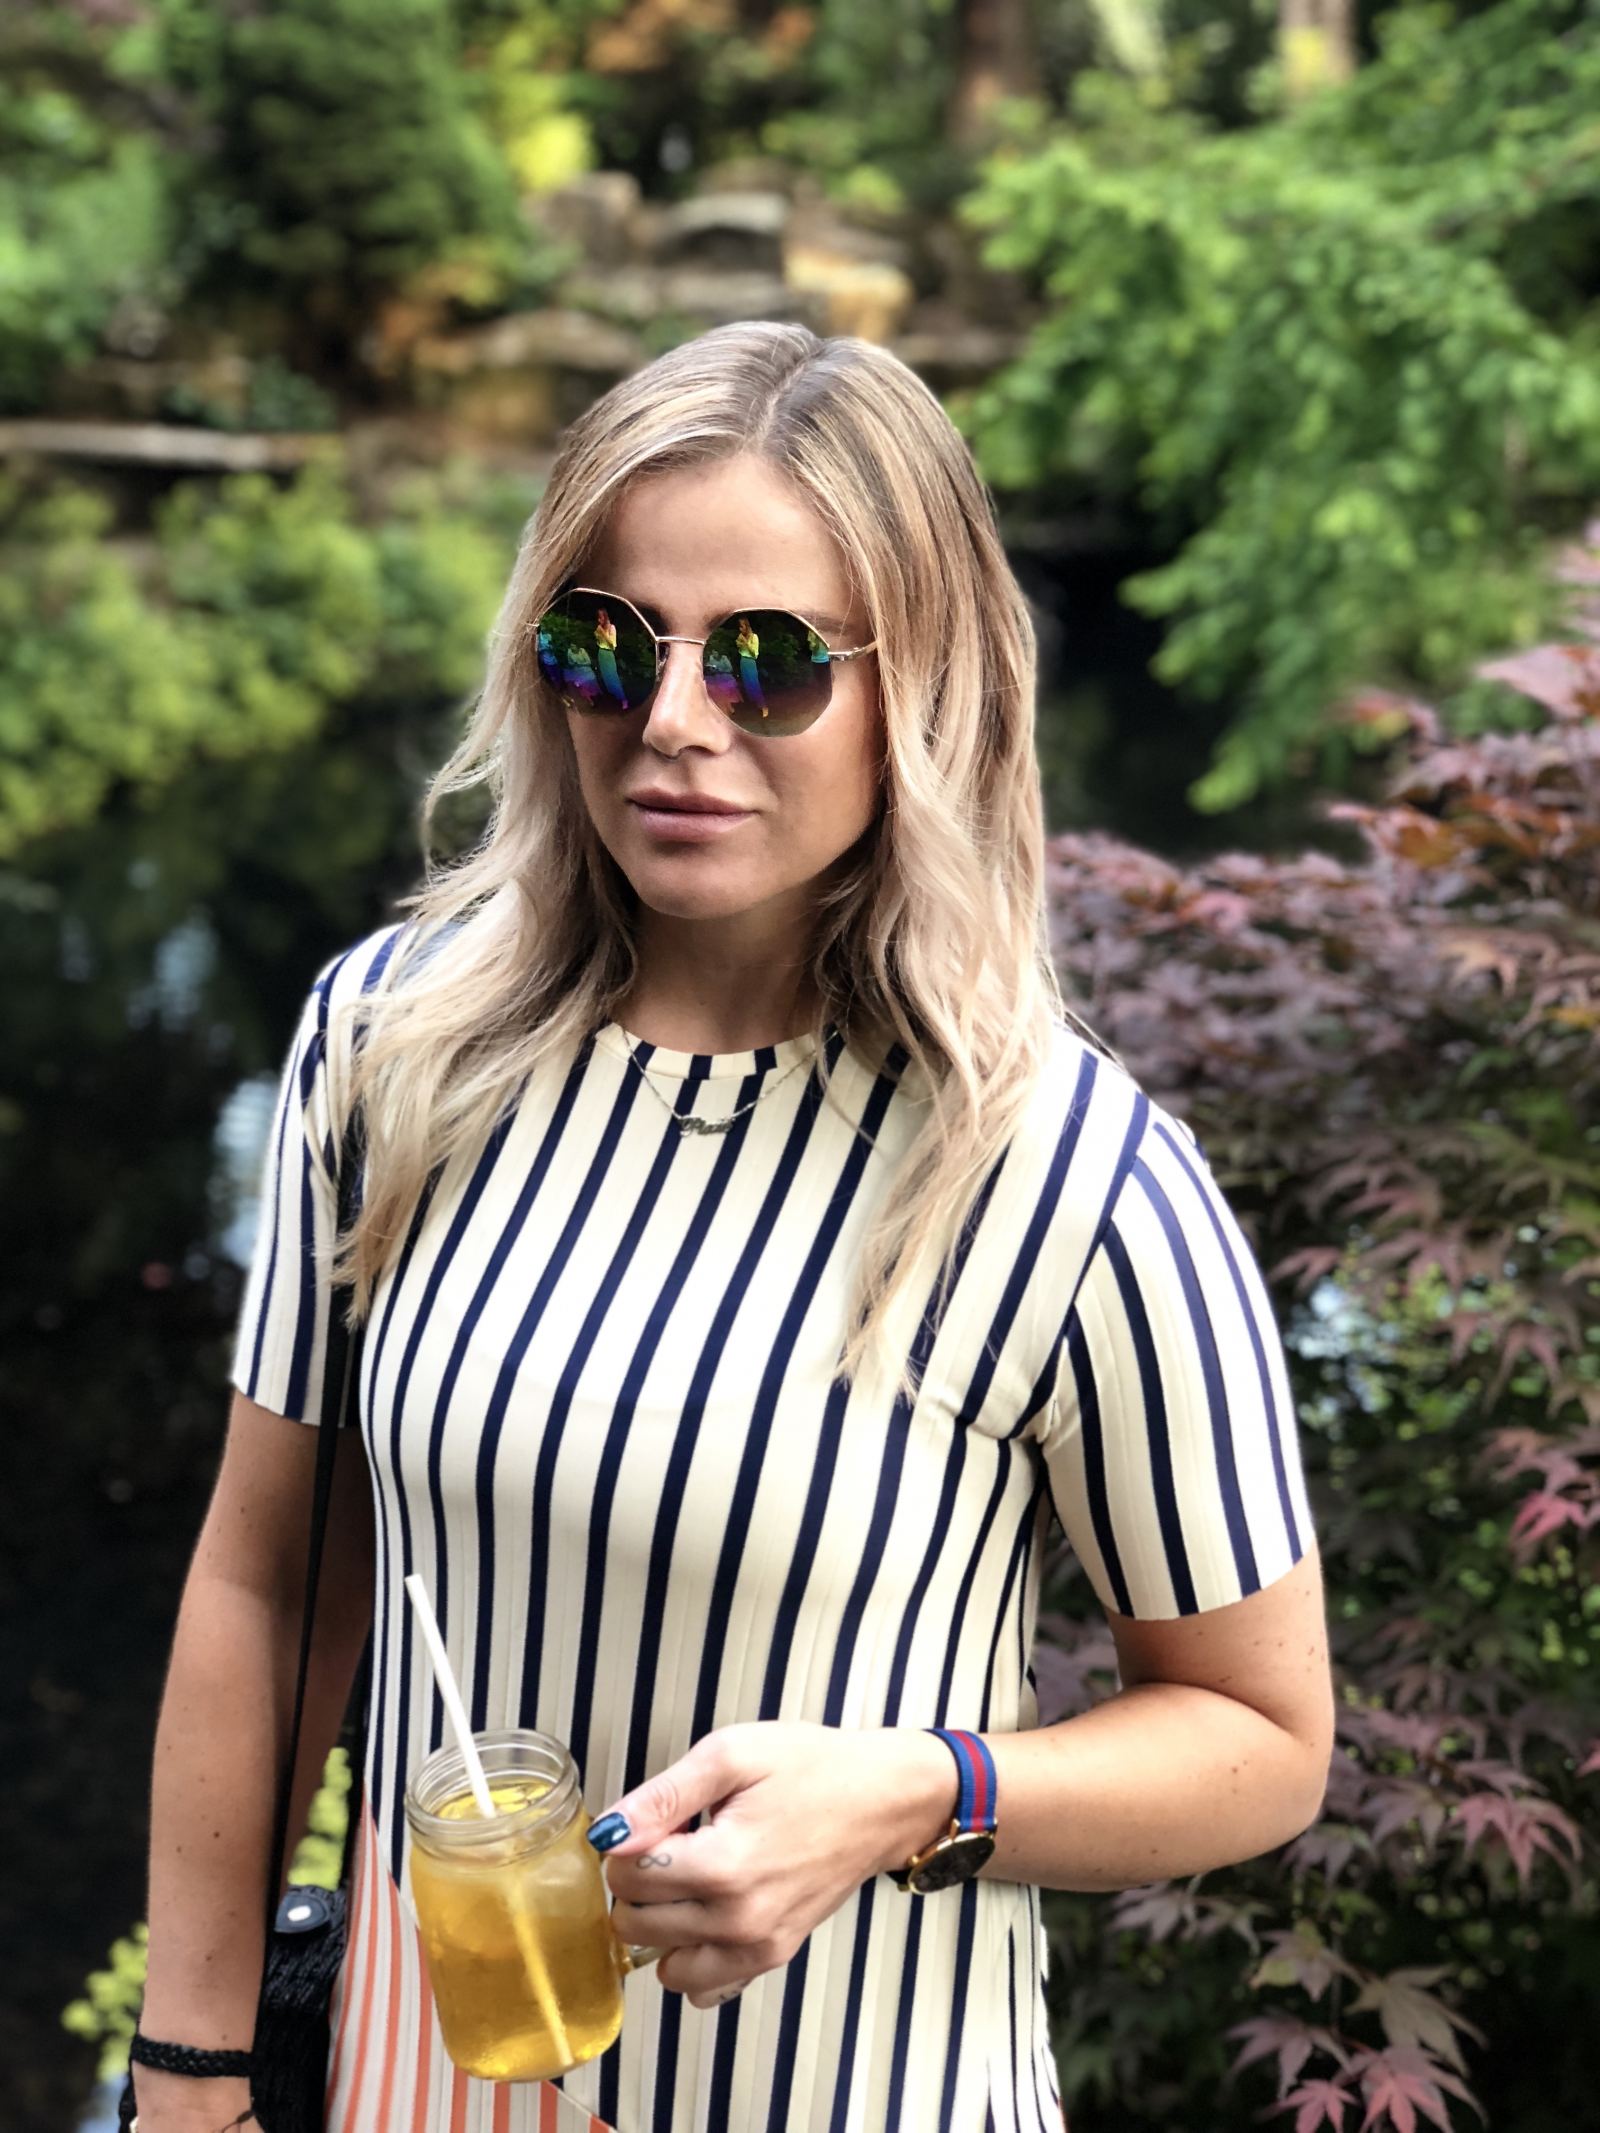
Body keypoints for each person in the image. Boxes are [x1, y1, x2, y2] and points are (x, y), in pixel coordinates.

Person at [132, 320, 1334, 2133]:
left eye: (768, 662)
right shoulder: (390, 1047)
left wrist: (918, 1792)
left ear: (927, 689)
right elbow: (267, 1583)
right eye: (609, 647)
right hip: (411, 2089)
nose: (675, 721)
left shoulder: (1070, 1177)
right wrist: (190, 2076)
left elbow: (1263, 1736)